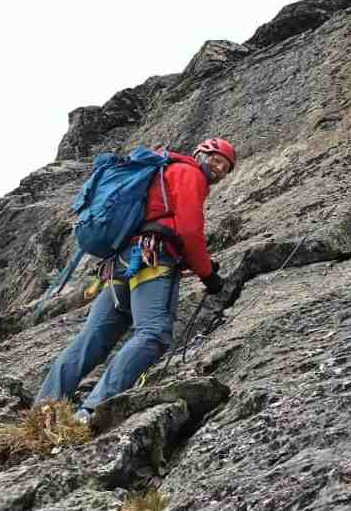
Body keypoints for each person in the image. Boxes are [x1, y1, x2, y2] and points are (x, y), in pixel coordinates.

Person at [35, 137, 236, 423]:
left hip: (122, 262)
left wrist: (194, 261)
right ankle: (92, 411)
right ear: (199, 154)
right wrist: (208, 275)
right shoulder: (189, 173)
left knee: (94, 338)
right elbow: (190, 231)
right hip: (151, 259)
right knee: (153, 333)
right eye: (215, 159)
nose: (219, 169)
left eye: (225, 167)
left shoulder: (163, 171)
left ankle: (44, 410)